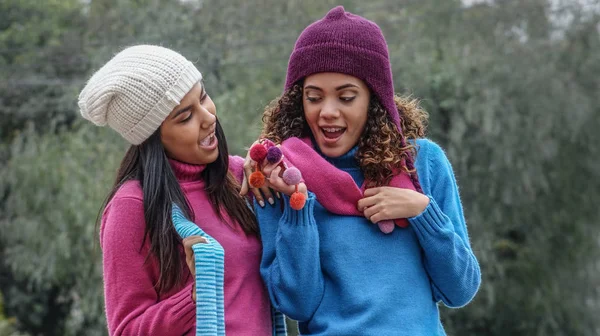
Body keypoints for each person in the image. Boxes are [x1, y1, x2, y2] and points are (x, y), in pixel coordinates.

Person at [241, 6, 481, 336]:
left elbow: (460, 289)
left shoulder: (422, 163)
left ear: (374, 99)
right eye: (314, 97)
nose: (327, 112)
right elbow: (296, 304)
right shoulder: (278, 176)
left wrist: (422, 211)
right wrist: (298, 207)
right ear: (299, 102)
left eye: (346, 97)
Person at [78, 45, 281, 335]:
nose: (208, 117)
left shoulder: (240, 176)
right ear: (153, 138)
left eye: (203, 97)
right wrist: (196, 296)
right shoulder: (132, 206)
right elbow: (126, 329)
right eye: (185, 117)